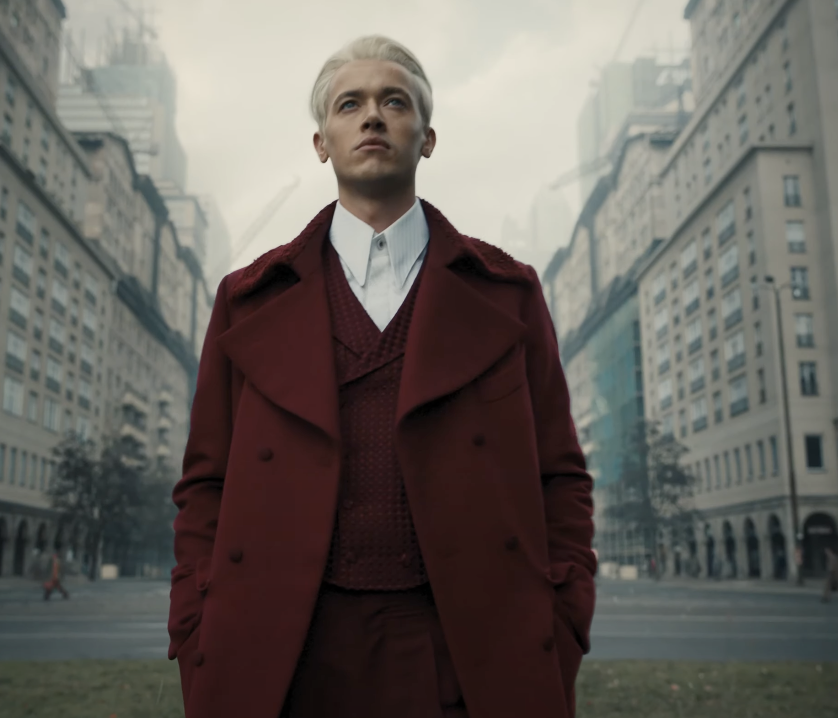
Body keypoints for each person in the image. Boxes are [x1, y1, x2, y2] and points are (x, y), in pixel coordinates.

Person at [168, 35, 596, 718]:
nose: (372, 116)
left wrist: (561, 617)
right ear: (321, 142)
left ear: (427, 138)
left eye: (394, 102)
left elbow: (560, 476)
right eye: (350, 104)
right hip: (281, 655)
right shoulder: (246, 298)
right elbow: (204, 483)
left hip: (466, 652)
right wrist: (196, 624)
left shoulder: (507, 293)